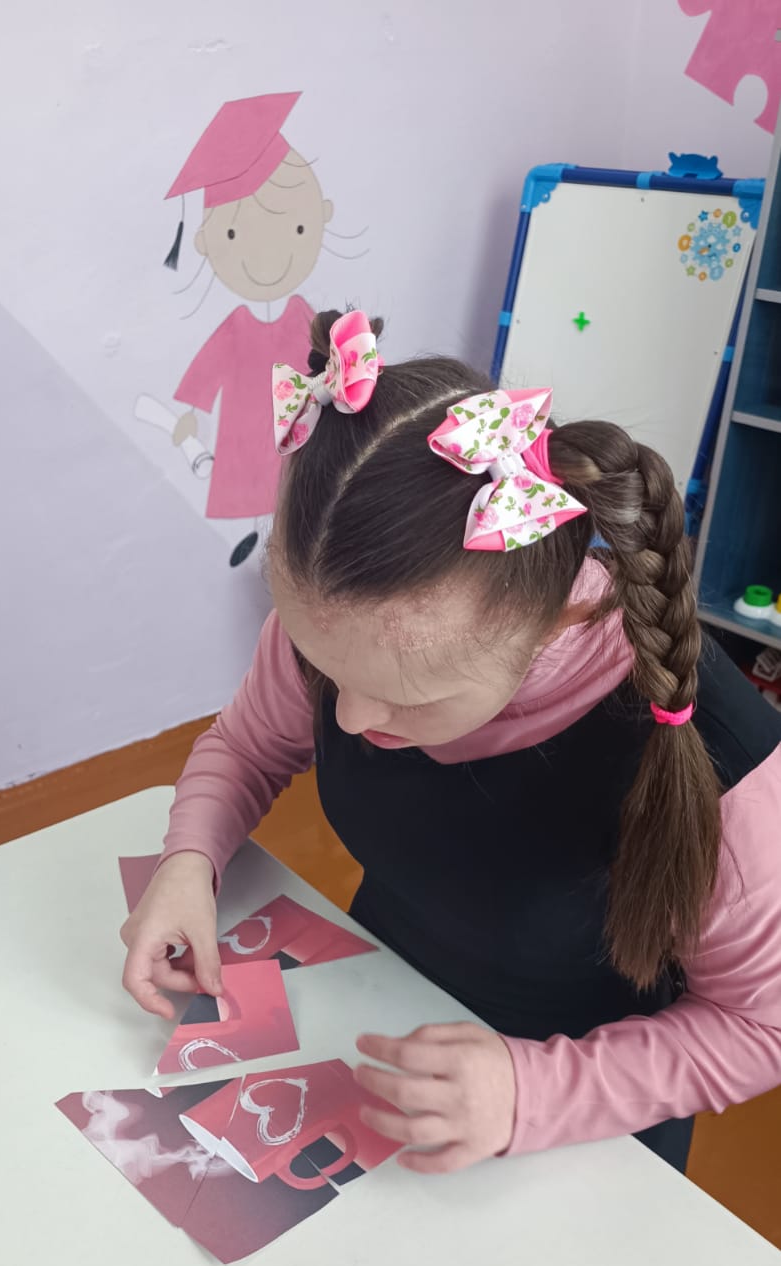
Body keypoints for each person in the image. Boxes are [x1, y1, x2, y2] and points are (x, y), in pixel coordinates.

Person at [121, 309, 781, 1176]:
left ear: (557, 622)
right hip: (380, 1016)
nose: (348, 719)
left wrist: (529, 1093)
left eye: (408, 699)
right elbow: (247, 745)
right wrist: (188, 861)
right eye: (324, 667)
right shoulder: (348, 635)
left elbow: (760, 1028)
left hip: (581, 1124)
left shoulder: (727, 771)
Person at [162, 92, 332, 567]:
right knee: (259, 495)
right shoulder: (235, 328)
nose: (269, 257)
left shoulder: (304, 316)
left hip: (296, 431)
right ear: (206, 242)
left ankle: (284, 543)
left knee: (294, 494)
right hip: (244, 432)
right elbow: (203, 380)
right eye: (234, 234)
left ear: (322, 215)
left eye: (297, 229)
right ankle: (257, 541)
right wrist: (190, 418)